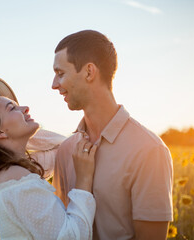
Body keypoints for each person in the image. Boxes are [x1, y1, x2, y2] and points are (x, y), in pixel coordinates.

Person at [51, 30, 173, 240]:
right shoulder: (66, 150)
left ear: (89, 72)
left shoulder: (150, 151)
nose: (54, 85)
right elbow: (64, 232)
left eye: (60, 73)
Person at [0, 76, 97, 240]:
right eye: (12, 108)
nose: (26, 108)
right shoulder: (16, 180)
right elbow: (73, 237)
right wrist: (84, 180)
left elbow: (61, 146)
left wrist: (22, 137)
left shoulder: (15, 172)